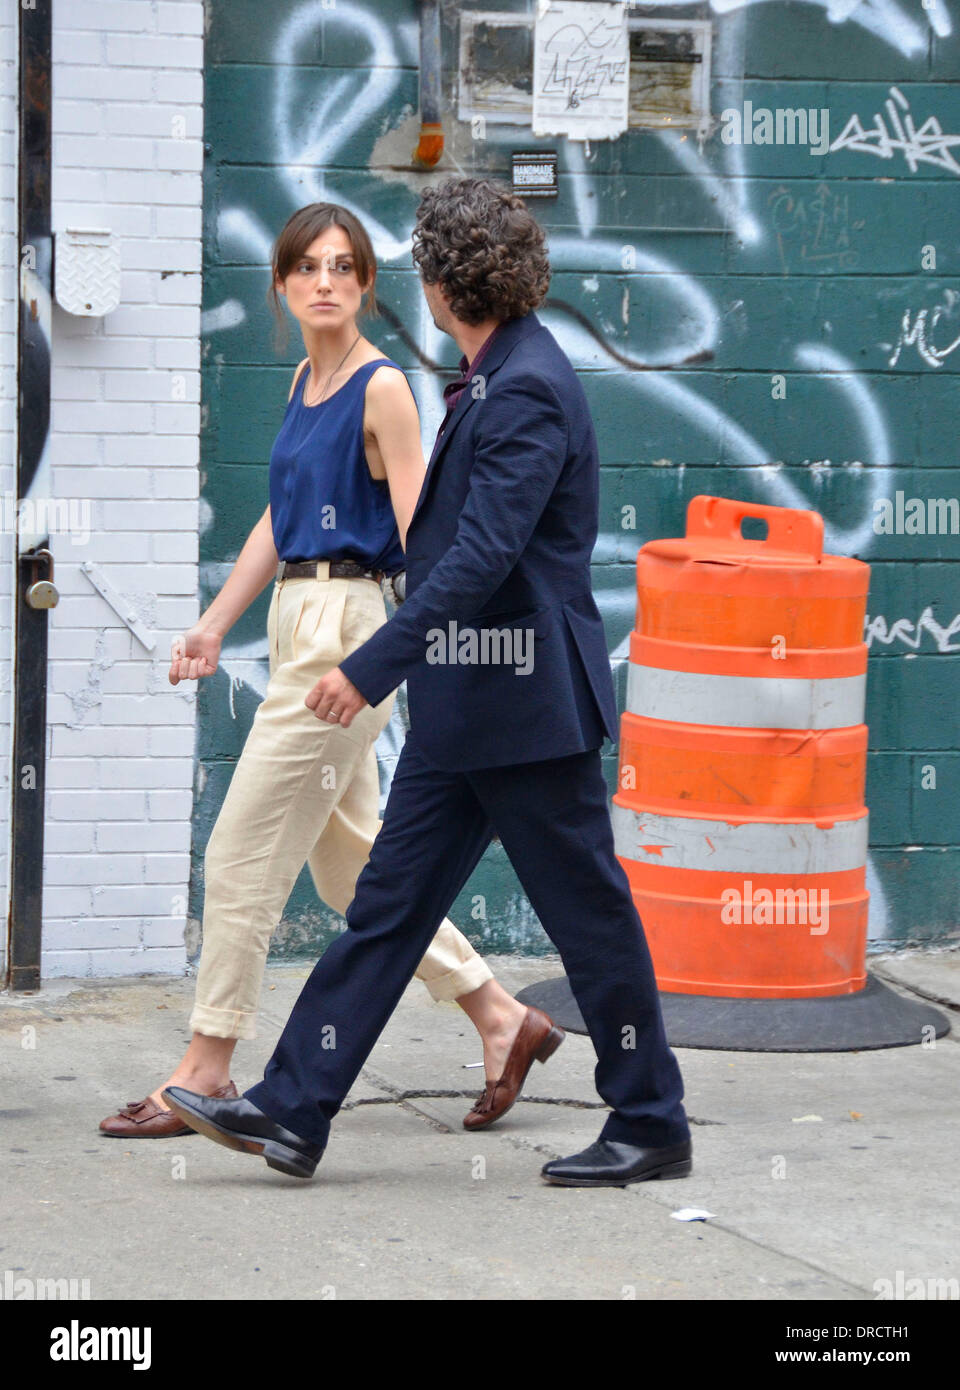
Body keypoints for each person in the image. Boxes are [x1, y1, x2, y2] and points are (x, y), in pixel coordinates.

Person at [163, 177, 692, 1188]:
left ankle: (651, 1118)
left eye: (423, 273)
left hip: (528, 709)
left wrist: (367, 667)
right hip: (466, 711)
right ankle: (295, 1104)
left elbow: (481, 557)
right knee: (388, 907)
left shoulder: (526, 384)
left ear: (449, 283)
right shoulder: (491, 376)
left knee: (588, 912)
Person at [99, 201, 564, 1142]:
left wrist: (402, 655)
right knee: (352, 870)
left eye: (344, 267)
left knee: (237, 857)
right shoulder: (303, 385)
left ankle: (208, 1065)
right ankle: (502, 1016)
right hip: (293, 622)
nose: (325, 280)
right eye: (307, 266)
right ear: (281, 283)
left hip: (344, 635)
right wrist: (212, 625)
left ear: (365, 286)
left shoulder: (380, 387)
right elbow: (280, 518)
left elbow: (422, 531)